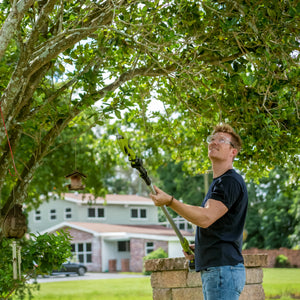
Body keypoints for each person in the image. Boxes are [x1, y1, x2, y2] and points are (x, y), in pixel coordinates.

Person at [150, 124, 248, 300]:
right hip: (219, 270)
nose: (213, 142)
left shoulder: (229, 182)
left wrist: (171, 202)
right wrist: (201, 248)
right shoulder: (220, 183)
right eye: (211, 139)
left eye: (221, 140)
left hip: (222, 270)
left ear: (233, 152)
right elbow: (217, 226)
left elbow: (205, 218)